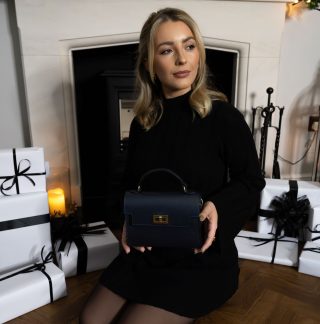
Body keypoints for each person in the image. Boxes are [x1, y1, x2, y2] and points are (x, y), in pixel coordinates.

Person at [80, 7, 265, 324]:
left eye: (189, 46)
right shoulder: (144, 122)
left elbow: (251, 180)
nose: (182, 59)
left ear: (199, 53)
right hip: (149, 251)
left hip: (200, 258)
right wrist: (125, 224)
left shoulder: (223, 117)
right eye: (167, 50)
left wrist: (219, 205)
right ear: (150, 63)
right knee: (90, 320)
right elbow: (127, 183)